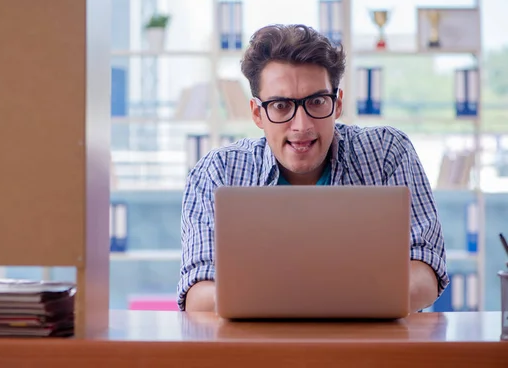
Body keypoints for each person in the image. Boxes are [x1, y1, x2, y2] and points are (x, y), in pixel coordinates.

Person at [177, 23, 449, 313]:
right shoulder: (217, 172)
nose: (302, 125)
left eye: (317, 102)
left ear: (338, 103)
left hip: (370, 350)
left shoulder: (387, 153)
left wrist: (292, 301)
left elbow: (426, 269)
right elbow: (198, 292)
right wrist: (320, 301)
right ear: (257, 113)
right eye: (281, 105)